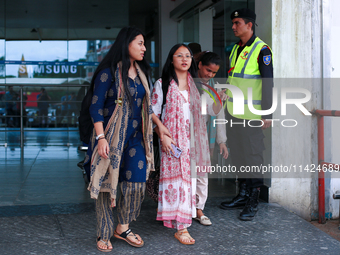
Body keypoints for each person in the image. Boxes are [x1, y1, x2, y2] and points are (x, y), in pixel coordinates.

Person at [83, 26, 169, 252]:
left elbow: (147, 106)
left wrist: (159, 126)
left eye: (144, 44)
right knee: (104, 185)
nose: (144, 48)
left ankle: (122, 227)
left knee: (137, 184)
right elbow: (96, 106)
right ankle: (103, 232)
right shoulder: (108, 72)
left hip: (135, 138)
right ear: (126, 43)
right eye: (140, 43)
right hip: (109, 137)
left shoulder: (141, 73)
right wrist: (100, 138)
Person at [151, 44, 224, 245]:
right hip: (172, 142)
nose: (185, 59)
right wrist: (162, 134)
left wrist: (221, 99)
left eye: (188, 56)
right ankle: (181, 226)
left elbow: (211, 110)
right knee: (177, 182)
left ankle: (182, 226)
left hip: (193, 143)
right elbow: (152, 112)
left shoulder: (198, 85)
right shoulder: (162, 84)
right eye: (180, 55)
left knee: (189, 182)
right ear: (171, 59)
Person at [219, 8, 273, 221]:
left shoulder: (262, 50)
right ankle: (242, 194)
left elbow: (268, 83)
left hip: (252, 114)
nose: (233, 26)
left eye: (237, 22)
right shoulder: (235, 49)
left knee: (253, 157)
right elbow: (235, 79)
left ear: (249, 25)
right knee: (239, 155)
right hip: (234, 113)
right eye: (233, 22)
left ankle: (253, 199)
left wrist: (267, 113)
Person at [194, 51, 229, 226]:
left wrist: (221, 141)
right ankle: (185, 209)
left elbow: (218, 114)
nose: (210, 75)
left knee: (202, 173)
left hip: (204, 135)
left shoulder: (214, 86)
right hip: (185, 133)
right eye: (208, 70)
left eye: (214, 72)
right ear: (199, 64)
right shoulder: (186, 82)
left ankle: (199, 209)